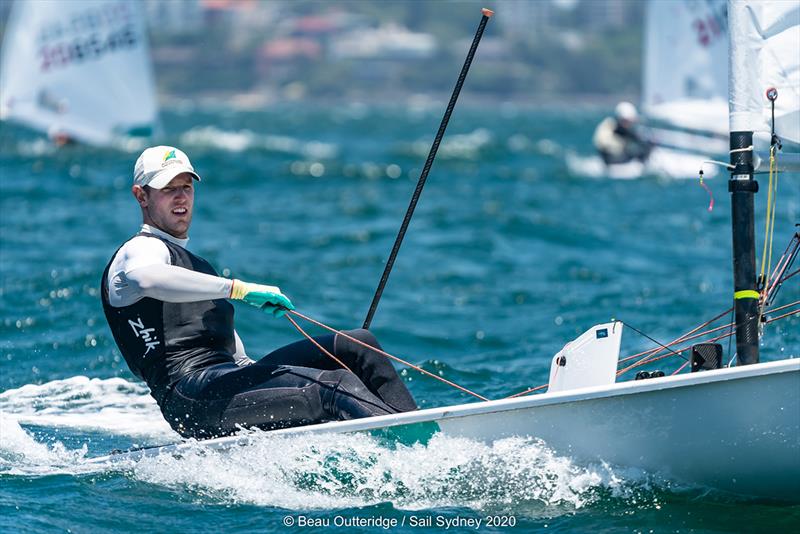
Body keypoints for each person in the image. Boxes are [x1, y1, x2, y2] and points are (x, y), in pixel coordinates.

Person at [101, 146, 417, 439]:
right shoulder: (139, 250)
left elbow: (238, 362)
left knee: (356, 344)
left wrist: (272, 385)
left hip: (222, 381)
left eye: (186, 187)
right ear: (141, 196)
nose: (181, 198)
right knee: (336, 388)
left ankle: (423, 433)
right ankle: (411, 451)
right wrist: (238, 289)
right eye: (168, 189)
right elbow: (148, 279)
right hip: (189, 397)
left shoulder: (199, 268)